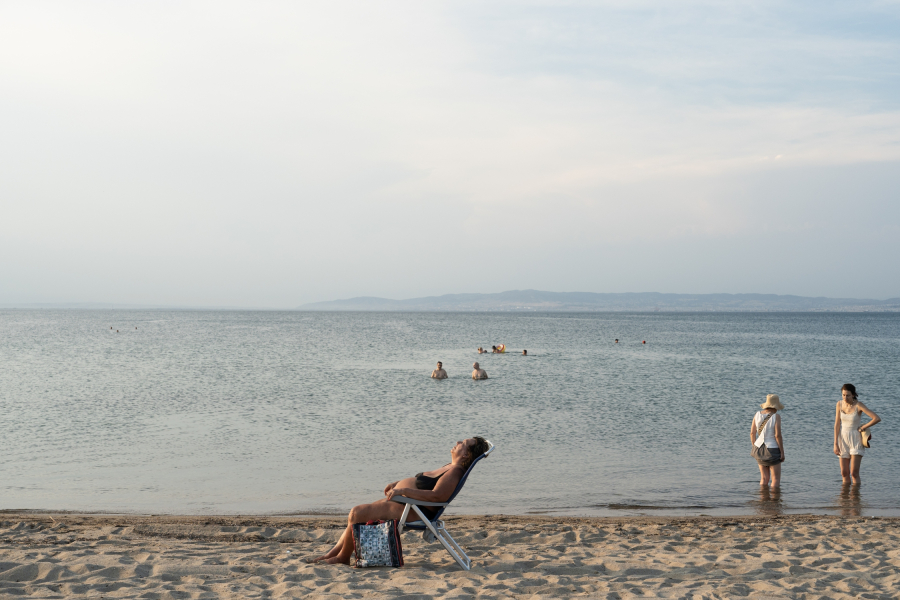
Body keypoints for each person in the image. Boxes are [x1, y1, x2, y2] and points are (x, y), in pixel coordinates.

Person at [310, 437, 490, 564]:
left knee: (357, 513)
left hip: (413, 510)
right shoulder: (449, 466)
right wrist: (398, 484)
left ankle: (342, 558)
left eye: (463, 444)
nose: (458, 442)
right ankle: (334, 553)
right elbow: (425, 483)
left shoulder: (455, 472)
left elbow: (437, 496)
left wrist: (403, 490)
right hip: (406, 503)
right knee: (355, 515)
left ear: (466, 455)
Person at [833, 383, 880, 484]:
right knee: (844, 473)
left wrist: (863, 427)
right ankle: (845, 498)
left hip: (856, 440)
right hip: (843, 440)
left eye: (848, 395)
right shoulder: (839, 404)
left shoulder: (859, 405)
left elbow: (876, 418)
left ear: (853, 394)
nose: (845, 397)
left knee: (854, 473)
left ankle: (856, 498)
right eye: (843, 395)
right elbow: (837, 424)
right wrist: (835, 443)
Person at [751, 394, 785, 487]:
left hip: (758, 448)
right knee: (776, 479)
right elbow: (777, 436)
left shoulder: (757, 414)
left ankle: (763, 499)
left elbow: (752, 433)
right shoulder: (776, 416)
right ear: (776, 406)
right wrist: (782, 452)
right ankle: (774, 501)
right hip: (772, 449)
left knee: (764, 478)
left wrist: (754, 446)